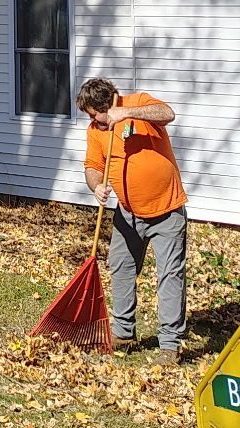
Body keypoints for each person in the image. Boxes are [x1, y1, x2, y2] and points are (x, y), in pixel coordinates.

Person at [78, 76, 188, 359]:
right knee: (121, 267)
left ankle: (169, 344)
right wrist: (96, 185)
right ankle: (124, 333)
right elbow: (92, 165)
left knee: (169, 275)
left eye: (94, 114)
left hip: (167, 209)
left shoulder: (137, 103)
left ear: (106, 105)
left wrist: (126, 113)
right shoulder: (96, 130)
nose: (93, 120)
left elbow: (168, 113)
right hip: (127, 213)